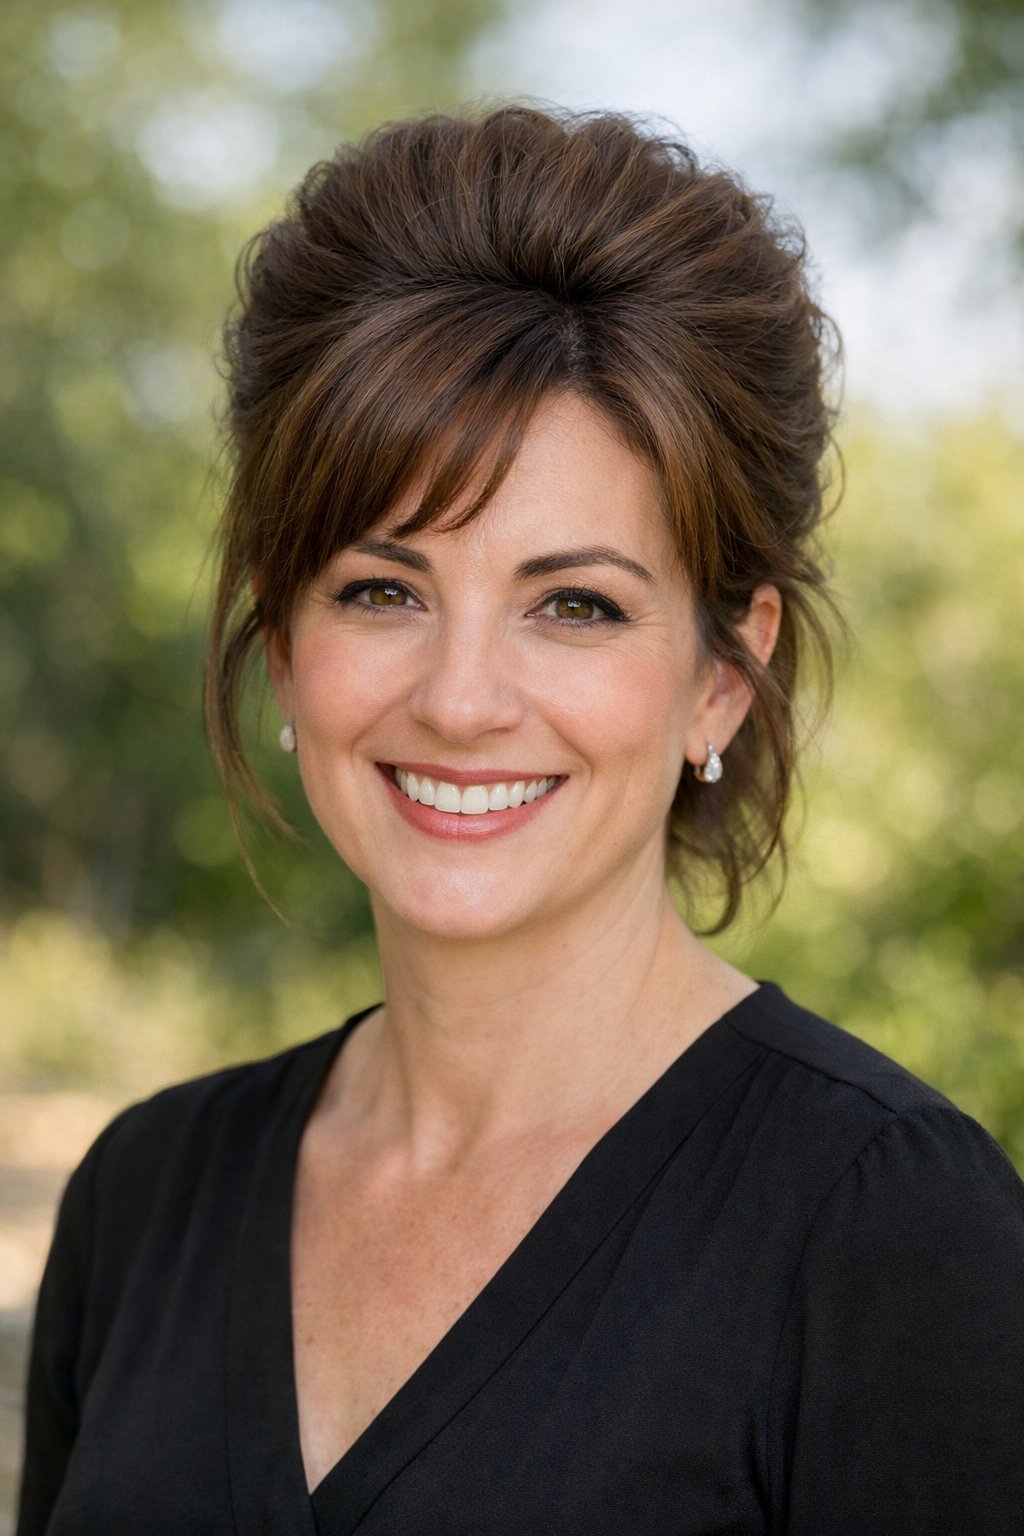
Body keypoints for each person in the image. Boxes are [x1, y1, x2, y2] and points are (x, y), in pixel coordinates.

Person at [17, 106, 1024, 1535]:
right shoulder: (144, 1199)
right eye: (383, 589)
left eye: (576, 605)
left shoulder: (888, 1230)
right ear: (287, 645)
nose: (465, 698)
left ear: (723, 678)